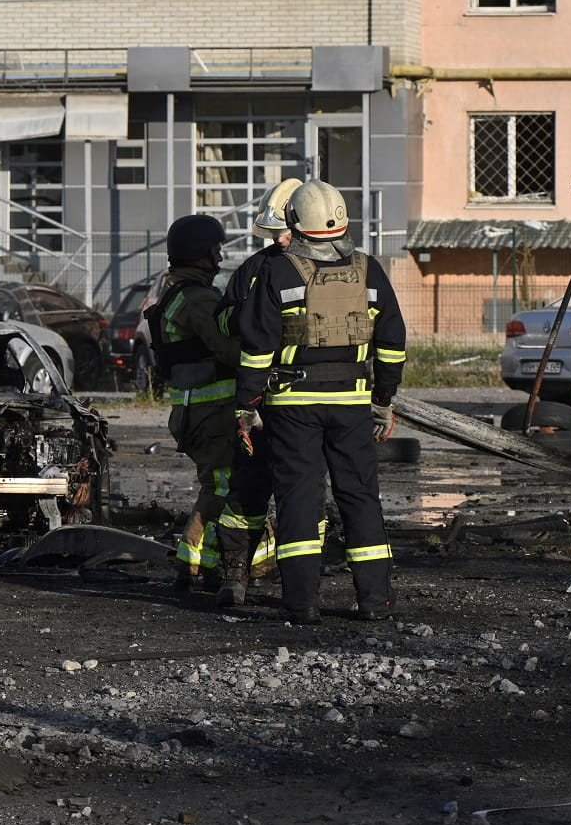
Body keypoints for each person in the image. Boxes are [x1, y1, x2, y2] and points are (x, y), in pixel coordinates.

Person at [231, 179, 407, 624]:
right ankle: (375, 602)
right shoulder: (369, 269)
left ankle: (302, 604)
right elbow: (392, 344)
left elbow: (257, 347)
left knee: (299, 498)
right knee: (361, 496)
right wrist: (383, 400)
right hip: (353, 404)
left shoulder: (278, 271)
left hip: (292, 406)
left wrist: (246, 405)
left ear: (294, 222)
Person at [209, 178, 302, 611]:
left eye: (285, 230)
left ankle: (303, 582)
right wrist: (253, 316)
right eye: (275, 232)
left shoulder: (333, 269)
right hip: (260, 400)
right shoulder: (254, 269)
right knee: (247, 487)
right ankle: (235, 574)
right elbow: (223, 320)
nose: (280, 239)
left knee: (303, 495)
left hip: (305, 402)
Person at [145, 214, 240, 595]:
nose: (220, 256)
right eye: (216, 249)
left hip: (194, 413)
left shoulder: (177, 294)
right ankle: (194, 563)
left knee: (218, 486)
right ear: (200, 254)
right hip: (212, 414)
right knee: (223, 488)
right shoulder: (199, 299)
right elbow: (230, 349)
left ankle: (201, 564)